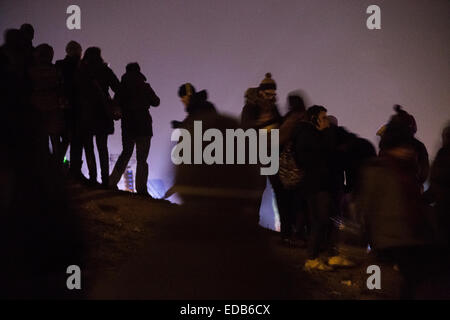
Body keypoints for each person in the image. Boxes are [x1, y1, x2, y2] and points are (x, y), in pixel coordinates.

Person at [294, 105, 352, 271]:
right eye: (324, 117)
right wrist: (328, 136)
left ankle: (333, 255)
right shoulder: (307, 136)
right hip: (317, 186)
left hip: (327, 185)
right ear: (314, 119)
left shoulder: (320, 135)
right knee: (319, 221)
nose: (327, 121)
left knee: (333, 219)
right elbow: (318, 157)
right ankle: (312, 258)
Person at [109, 63, 160, 195]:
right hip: (144, 126)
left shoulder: (122, 88)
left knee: (126, 153)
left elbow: (115, 106)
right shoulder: (145, 86)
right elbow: (156, 102)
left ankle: (112, 182)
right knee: (142, 159)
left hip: (128, 126)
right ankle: (141, 189)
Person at [76, 47, 121, 187]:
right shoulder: (105, 70)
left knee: (89, 147)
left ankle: (92, 178)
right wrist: (112, 102)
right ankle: (105, 180)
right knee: (102, 148)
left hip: (86, 114)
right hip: (102, 113)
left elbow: (75, 92)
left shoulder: (81, 71)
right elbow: (118, 88)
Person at [28, 43, 66, 164]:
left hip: (36, 110)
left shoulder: (31, 72)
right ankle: (57, 168)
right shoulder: (56, 71)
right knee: (56, 141)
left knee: (41, 142)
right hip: (54, 109)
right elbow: (61, 89)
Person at [56, 41, 84, 180]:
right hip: (77, 109)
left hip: (61, 108)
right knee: (76, 141)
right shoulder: (81, 68)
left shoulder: (59, 66)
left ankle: (56, 169)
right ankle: (74, 171)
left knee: (64, 140)